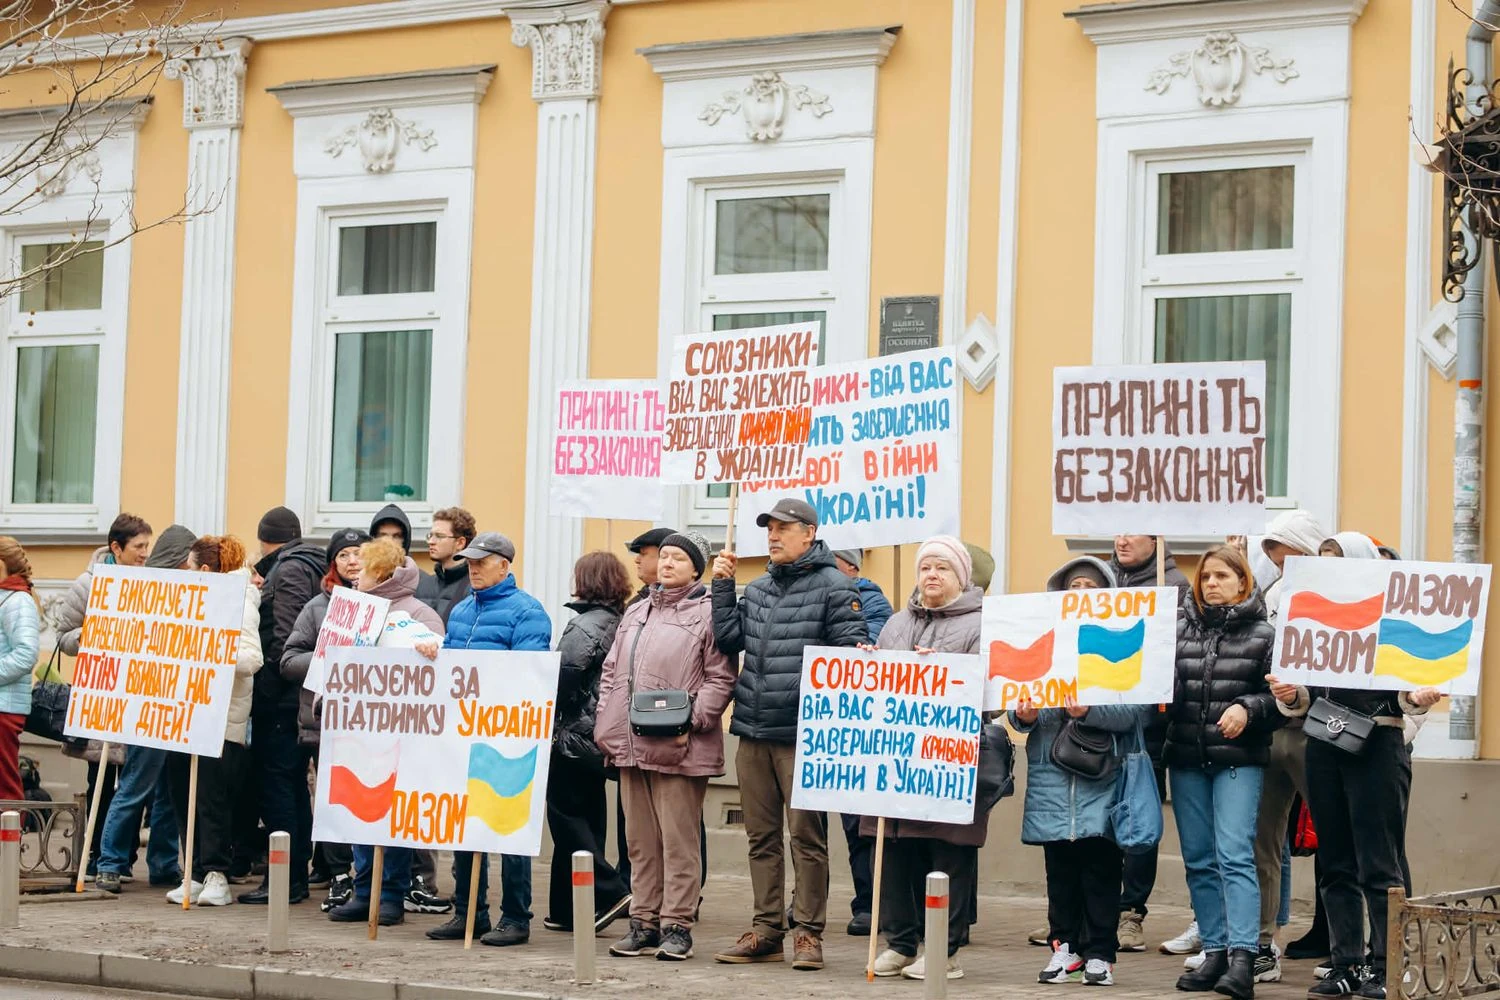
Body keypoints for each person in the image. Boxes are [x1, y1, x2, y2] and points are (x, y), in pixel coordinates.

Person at [1267, 533, 1439, 1000]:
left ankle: (1389, 964)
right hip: (1323, 741)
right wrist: (1291, 695)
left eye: (1337, 563)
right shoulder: (1314, 615)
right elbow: (1305, 690)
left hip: (1378, 744)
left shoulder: (1390, 618)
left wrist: (1415, 696)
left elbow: (1407, 689)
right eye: (1322, 564)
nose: (1329, 572)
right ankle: (1346, 963)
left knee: (1378, 861)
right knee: (1335, 861)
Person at [710, 497, 867, 972]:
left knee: (806, 836)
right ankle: (766, 929)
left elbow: (849, 658)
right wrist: (721, 586)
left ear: (809, 534)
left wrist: (804, 690)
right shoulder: (756, 589)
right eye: (769, 529)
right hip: (753, 729)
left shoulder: (836, 587)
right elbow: (728, 639)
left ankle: (808, 933)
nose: (772, 537)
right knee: (761, 836)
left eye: (782, 528)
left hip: (803, 734)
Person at [597, 532, 735, 963]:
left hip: (679, 745)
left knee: (678, 843)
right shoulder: (636, 612)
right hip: (631, 744)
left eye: (679, 558)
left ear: (697, 568)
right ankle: (643, 922)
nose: (669, 563)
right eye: (665, 556)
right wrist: (607, 718)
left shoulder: (709, 613)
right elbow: (610, 672)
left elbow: (721, 678)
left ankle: (677, 926)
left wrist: (692, 719)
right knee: (639, 841)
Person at [865, 538, 998, 983]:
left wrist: (942, 674)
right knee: (896, 849)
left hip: (950, 761)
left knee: (947, 853)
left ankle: (945, 948)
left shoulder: (984, 625)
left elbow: (993, 695)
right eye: (926, 567)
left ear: (961, 577)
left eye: (943, 567)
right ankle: (900, 942)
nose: (932, 575)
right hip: (897, 759)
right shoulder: (896, 624)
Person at [420, 532, 552, 946]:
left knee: (508, 827)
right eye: (470, 562)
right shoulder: (461, 610)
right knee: (463, 825)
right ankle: (469, 912)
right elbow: (455, 665)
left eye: (482, 561)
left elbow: (529, 673)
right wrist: (433, 652)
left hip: (507, 738)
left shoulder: (528, 613)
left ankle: (516, 917)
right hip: (462, 733)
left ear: (504, 566)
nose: (473, 568)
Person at [1167, 544, 1279, 999]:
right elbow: (1161, 688)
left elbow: (1283, 701)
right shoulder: (1176, 631)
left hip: (1238, 760)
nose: (1212, 584)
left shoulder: (1264, 635)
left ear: (1242, 582)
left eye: (1222, 576)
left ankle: (1242, 957)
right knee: (1198, 858)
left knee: (1234, 854)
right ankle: (1213, 950)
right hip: (1188, 758)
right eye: (1206, 577)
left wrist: (1248, 709)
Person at [328, 538, 446, 928]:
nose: (355, 572)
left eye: (363, 567)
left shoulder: (419, 614)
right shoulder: (350, 613)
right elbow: (331, 666)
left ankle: (391, 893)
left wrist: (432, 650)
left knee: (391, 817)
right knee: (359, 812)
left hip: (401, 738)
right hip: (356, 733)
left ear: (382, 572)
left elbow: (439, 671)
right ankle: (365, 891)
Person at [1241, 510, 1330, 968]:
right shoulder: (1271, 593)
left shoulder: (1334, 591)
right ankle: (1261, 942)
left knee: (1337, 838)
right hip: (1270, 726)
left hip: (1316, 731)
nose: (1279, 562)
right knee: (1262, 840)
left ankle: (1344, 940)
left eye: (1286, 551)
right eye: (1273, 554)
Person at [1099, 540, 1190, 955]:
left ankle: (1130, 911)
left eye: (1135, 531)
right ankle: (1091, 910)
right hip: (1097, 722)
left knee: (1138, 818)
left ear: (1156, 540)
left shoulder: (1175, 585)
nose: (1123, 539)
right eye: (1119, 530)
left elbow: (1183, 649)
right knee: (1096, 819)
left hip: (1147, 726)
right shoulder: (1097, 580)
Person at [95, 525, 196, 895]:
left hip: (179, 704)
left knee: (169, 794)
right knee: (137, 785)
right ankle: (109, 862)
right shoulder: (145, 593)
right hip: (149, 705)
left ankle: (163, 863)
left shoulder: (190, 593)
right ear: (179, 558)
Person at [163, 536, 262, 907]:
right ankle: (194, 874)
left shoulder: (241, 605)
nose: (185, 573)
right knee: (182, 795)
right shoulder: (190, 604)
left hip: (219, 721)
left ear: (205, 571)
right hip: (183, 715)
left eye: (189, 567)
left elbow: (251, 659)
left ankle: (218, 874)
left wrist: (209, 649)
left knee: (211, 800)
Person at [58, 512, 153, 877]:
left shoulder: (152, 584)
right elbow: (64, 636)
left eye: (148, 545)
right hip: (101, 695)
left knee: (132, 781)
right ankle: (94, 855)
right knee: (98, 780)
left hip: (138, 695)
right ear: (117, 547)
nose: (145, 553)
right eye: (139, 546)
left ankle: (123, 858)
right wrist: (91, 636)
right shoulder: (87, 584)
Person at [280, 527, 368, 913]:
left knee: (363, 799)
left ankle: (368, 877)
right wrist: (328, 660)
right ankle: (338, 875)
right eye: (344, 555)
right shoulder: (317, 607)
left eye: (359, 554)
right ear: (334, 562)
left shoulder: (382, 604)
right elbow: (288, 660)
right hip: (324, 721)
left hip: (370, 724)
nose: (352, 562)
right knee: (332, 800)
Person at [545, 551, 633, 934]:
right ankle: (569, 910)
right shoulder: (623, 622)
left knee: (566, 820)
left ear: (586, 581)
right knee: (589, 819)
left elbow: (562, 677)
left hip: (571, 736)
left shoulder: (583, 626)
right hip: (600, 736)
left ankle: (610, 890)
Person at [243, 506, 326, 905]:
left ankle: (286, 878)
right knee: (292, 784)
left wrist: (272, 693)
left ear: (264, 538)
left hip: (283, 698)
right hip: (299, 695)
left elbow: (285, 635)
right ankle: (296, 871)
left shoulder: (289, 569)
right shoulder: (311, 564)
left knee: (279, 785)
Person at [828, 546, 893, 938]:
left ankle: (874, 902)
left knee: (864, 825)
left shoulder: (872, 603)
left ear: (850, 568)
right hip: (828, 728)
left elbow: (866, 655)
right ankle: (862, 899)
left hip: (863, 729)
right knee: (842, 825)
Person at [0, 537, 41, 804]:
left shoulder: (18, 601)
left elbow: (26, 655)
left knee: (5, 785)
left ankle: (12, 844)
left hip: (4, 709)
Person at [425, 507, 476, 624]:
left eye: (439, 536)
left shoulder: (473, 589)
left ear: (460, 543)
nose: (431, 541)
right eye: (430, 535)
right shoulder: (422, 584)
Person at [625, 528, 674, 608]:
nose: (636, 560)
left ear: (664, 557)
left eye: (643, 554)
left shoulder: (691, 604)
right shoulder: (635, 604)